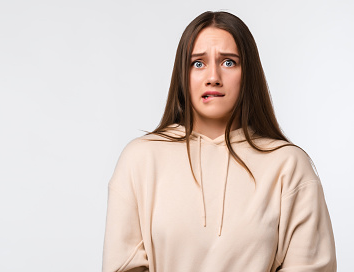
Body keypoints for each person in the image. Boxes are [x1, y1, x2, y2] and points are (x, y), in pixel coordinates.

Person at [102, 11, 337, 272]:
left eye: (228, 62)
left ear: (248, 74)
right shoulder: (140, 159)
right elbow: (123, 266)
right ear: (183, 74)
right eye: (198, 63)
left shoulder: (289, 165)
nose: (213, 76)